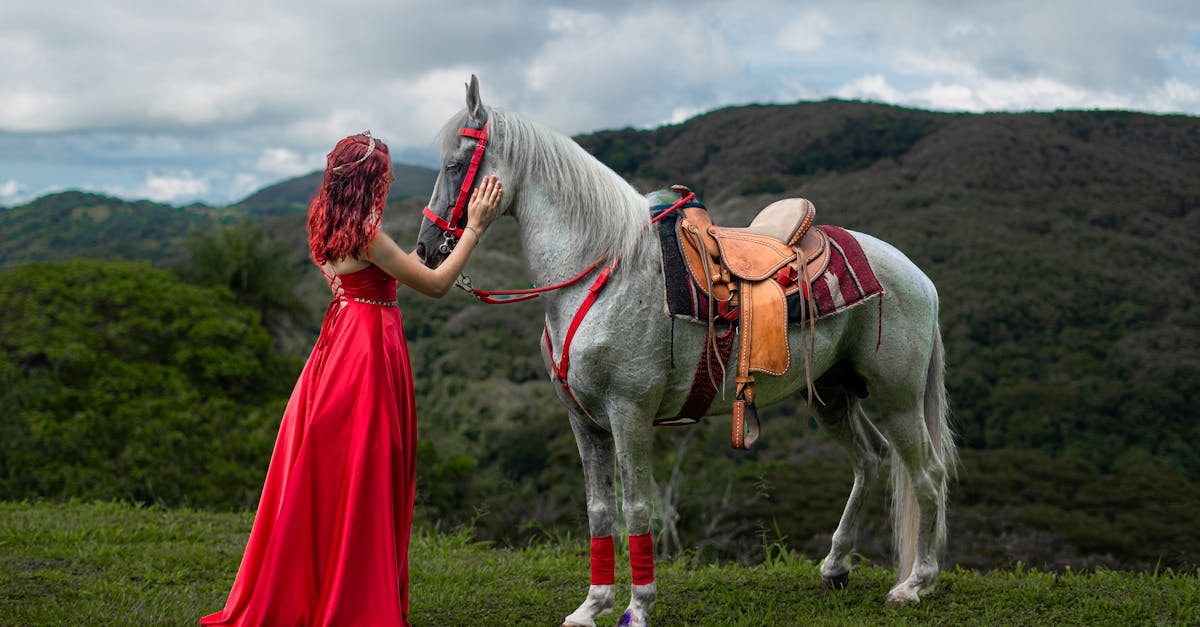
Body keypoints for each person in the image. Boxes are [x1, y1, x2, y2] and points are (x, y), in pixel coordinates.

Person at [201, 131, 501, 626]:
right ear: (370, 181)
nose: (389, 183)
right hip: (367, 350)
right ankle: (354, 595)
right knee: (367, 472)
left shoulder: (322, 220)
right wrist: (475, 228)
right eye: (384, 177)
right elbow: (437, 286)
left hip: (336, 343)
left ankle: (321, 584)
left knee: (329, 473)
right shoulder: (365, 234)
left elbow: (385, 271)